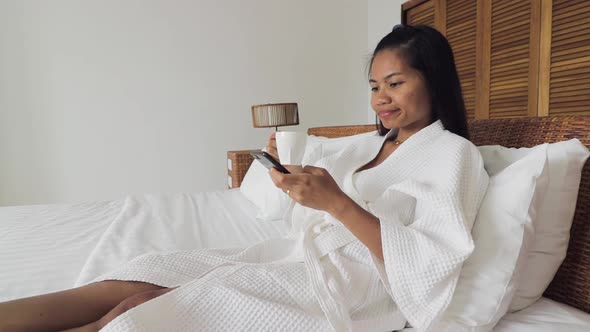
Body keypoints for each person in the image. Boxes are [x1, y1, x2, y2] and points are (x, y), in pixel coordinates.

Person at [0, 25, 489, 332]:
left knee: (147, 308)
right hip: (295, 257)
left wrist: (337, 204)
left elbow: (433, 265)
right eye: (375, 86)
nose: (381, 98)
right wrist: (286, 164)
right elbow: (319, 159)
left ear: (435, 80)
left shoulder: (454, 156)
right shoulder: (373, 143)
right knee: (149, 271)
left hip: (350, 289)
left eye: (396, 83)